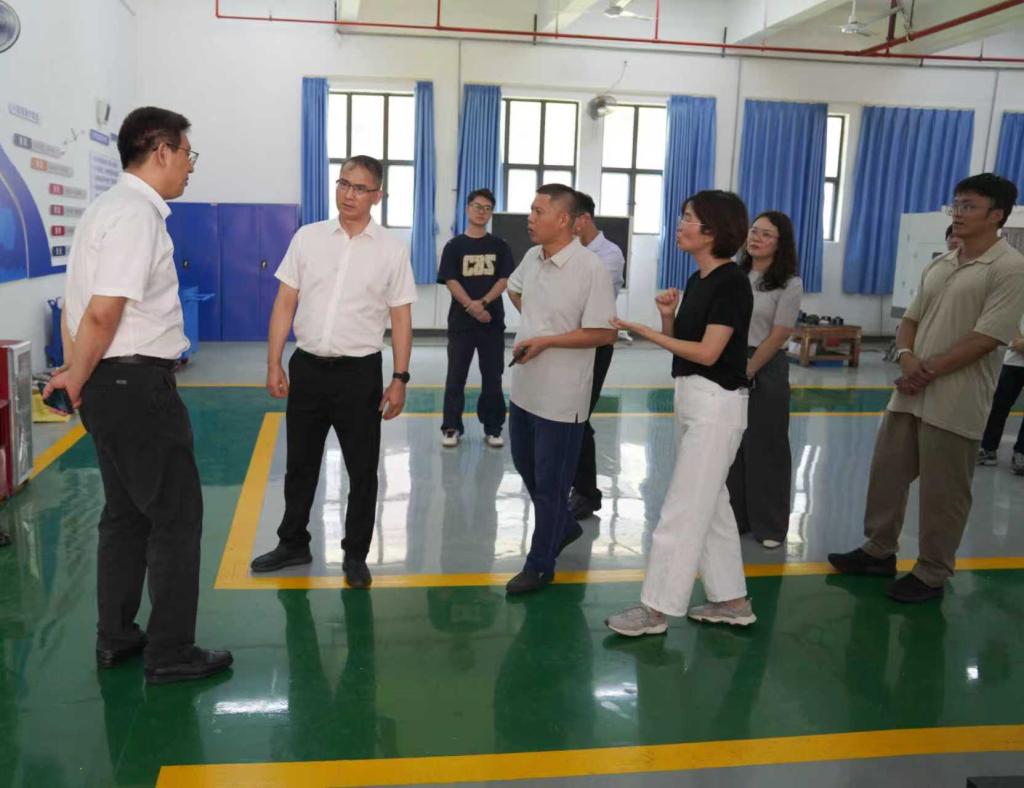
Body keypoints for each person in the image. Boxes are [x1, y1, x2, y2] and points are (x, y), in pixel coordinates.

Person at [44, 106, 233, 684]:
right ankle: (170, 651)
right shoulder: (135, 214)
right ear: (162, 152)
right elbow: (104, 312)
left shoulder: (103, 209)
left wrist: (76, 371)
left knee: (125, 516)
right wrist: (76, 375)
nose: (190, 167)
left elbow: (77, 309)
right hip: (135, 384)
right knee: (175, 518)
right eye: (187, 154)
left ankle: (117, 636)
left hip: (110, 385)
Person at [829, 173, 1024, 602]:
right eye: (956, 204)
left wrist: (926, 370)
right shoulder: (942, 263)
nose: (958, 212)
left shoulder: (1010, 268)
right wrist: (906, 357)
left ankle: (933, 571)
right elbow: (910, 319)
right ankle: (879, 550)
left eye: (969, 206)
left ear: (996, 215)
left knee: (944, 490)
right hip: (910, 391)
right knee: (887, 474)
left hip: (957, 398)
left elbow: (987, 337)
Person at [250, 155, 416, 589]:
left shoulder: (391, 250)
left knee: (362, 470)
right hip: (307, 369)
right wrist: (273, 361)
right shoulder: (307, 238)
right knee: (300, 465)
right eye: (343, 183)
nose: (348, 194)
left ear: (377, 196)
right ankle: (293, 542)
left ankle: (355, 553)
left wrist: (400, 378)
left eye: (359, 188)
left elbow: (401, 317)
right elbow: (285, 301)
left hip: (358, 375)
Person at [606, 190, 755, 636]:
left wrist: (646, 331)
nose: (681, 224)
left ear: (712, 230)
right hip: (692, 397)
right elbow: (687, 347)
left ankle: (654, 609)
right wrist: (668, 318)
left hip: (716, 404)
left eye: (689, 217)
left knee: (684, 508)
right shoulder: (700, 279)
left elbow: (708, 353)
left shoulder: (731, 283)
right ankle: (732, 600)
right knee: (711, 507)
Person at [504, 184, 617, 595]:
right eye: (531, 210)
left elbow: (603, 333)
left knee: (552, 485)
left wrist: (548, 339)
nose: (530, 218)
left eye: (538, 211)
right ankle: (564, 527)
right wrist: (537, 321)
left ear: (564, 220)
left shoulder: (590, 269)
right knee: (527, 468)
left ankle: (540, 565)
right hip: (524, 390)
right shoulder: (533, 257)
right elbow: (514, 288)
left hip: (562, 398)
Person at [727, 211, 803, 549]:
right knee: (733, 443)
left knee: (766, 445)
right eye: (754, 231)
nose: (756, 238)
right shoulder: (734, 274)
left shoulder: (789, 283)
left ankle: (770, 525)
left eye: (766, 234)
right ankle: (737, 517)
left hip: (766, 364)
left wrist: (750, 368)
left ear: (780, 243)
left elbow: (779, 334)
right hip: (730, 359)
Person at [437, 188, 515, 448]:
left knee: (493, 377)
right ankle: (451, 427)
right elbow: (450, 279)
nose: (482, 212)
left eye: (487, 208)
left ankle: (493, 428)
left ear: (491, 213)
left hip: (491, 323)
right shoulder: (454, 246)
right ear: (467, 209)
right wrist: (471, 307)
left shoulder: (500, 246)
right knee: (455, 377)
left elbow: (504, 279)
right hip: (461, 325)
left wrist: (483, 304)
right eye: (477, 206)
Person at [568, 192, 626, 520]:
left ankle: (587, 493)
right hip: (567, 342)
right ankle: (577, 485)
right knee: (567, 415)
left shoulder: (609, 254)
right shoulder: (567, 249)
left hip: (595, 343)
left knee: (579, 417)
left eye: (569, 219)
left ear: (584, 218)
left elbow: (583, 296)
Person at [977, 316, 1024, 474]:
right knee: (998, 407)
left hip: (1015, 356)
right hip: (1012, 363)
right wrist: (1018, 342)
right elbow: (1010, 321)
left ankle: (1021, 453)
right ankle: (988, 449)